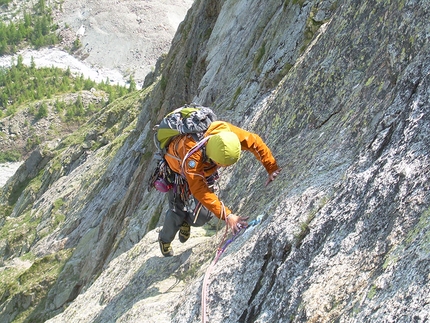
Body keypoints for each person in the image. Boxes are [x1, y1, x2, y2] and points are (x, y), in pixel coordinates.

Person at [158, 120, 281, 256]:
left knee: (203, 217)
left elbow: (254, 142)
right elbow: (199, 189)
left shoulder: (226, 133)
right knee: (176, 212)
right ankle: (164, 240)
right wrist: (227, 215)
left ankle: (185, 222)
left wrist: (271, 167)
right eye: (220, 164)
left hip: (203, 172)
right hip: (177, 172)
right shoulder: (192, 153)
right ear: (211, 157)